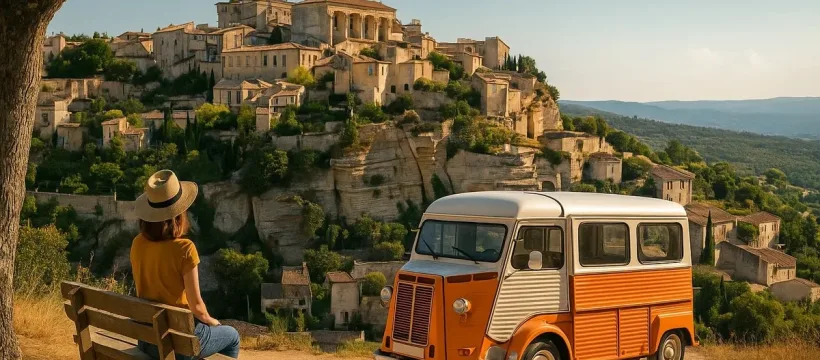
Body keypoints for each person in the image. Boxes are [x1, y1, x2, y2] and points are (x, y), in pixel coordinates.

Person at [131, 170, 240, 359]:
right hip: (177, 342)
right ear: (179, 214)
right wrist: (213, 322)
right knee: (232, 336)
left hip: (147, 339)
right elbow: (197, 307)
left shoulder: (137, 243)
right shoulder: (184, 248)